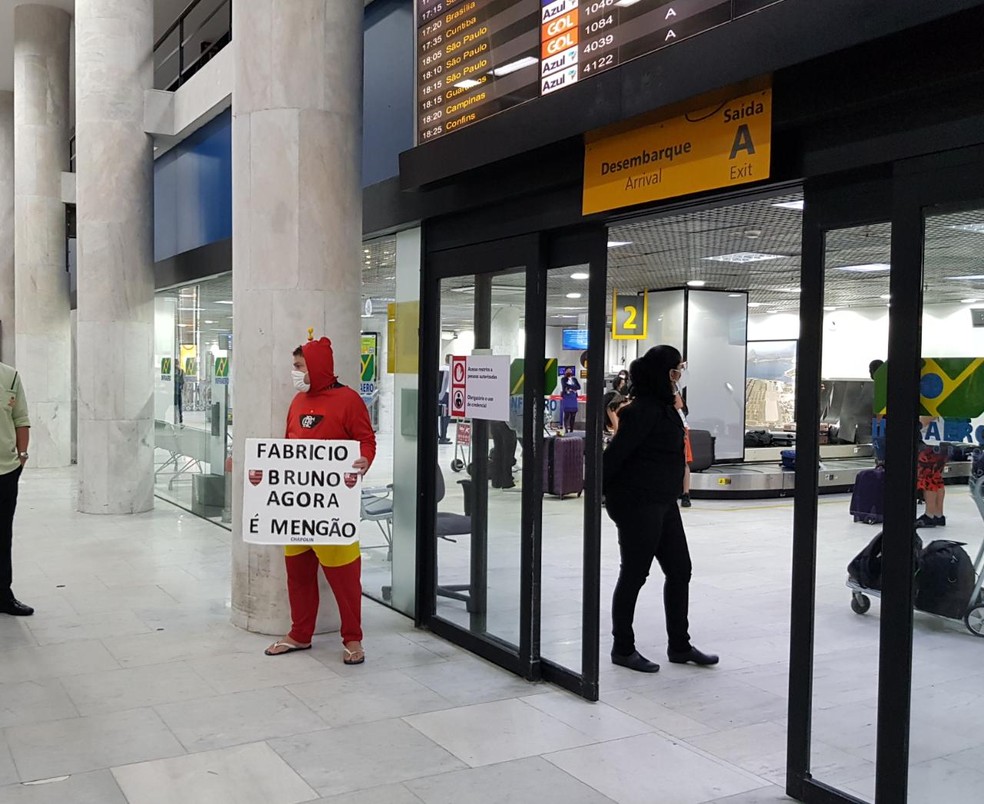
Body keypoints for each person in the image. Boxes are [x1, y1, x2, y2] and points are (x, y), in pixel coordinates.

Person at [603, 345, 717, 672]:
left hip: (664, 502)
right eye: (678, 368)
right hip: (639, 503)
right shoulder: (641, 411)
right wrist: (611, 499)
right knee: (635, 574)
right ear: (667, 373)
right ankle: (622, 648)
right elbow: (613, 458)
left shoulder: (667, 408)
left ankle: (679, 645)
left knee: (680, 570)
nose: (681, 374)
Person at [265, 336, 376, 664]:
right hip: (297, 509)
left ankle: (353, 639)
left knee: (345, 582)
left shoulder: (349, 401)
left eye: (299, 366)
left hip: (333, 509)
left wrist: (364, 461)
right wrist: (263, 475)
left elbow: (366, 440)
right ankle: (299, 634)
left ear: (316, 367)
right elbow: (287, 448)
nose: (295, 373)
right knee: (297, 577)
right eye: (294, 366)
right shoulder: (297, 402)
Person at [1, 361, 33, 616]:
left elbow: (20, 418)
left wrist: (21, 456)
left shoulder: (9, 376)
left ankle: (3, 595)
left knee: (3, 535)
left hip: (5, 471)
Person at [675, 388, 693, 508]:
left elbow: (679, 404)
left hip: (680, 428)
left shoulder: (672, 389)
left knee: (684, 461)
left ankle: (686, 493)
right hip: (670, 426)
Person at [560, 367, 581, 433]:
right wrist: (573, 387)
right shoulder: (563, 379)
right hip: (567, 397)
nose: (569, 372)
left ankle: (571, 429)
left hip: (573, 397)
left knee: (573, 414)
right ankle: (566, 429)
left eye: (570, 371)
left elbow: (579, 387)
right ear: (565, 372)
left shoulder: (574, 379)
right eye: (568, 371)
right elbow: (565, 385)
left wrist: (571, 387)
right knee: (566, 414)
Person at [438, 354, 452, 444]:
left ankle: (439, 435)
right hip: (447, 395)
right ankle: (443, 437)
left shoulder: (440, 367)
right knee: (446, 417)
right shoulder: (451, 369)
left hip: (440, 395)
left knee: (440, 415)